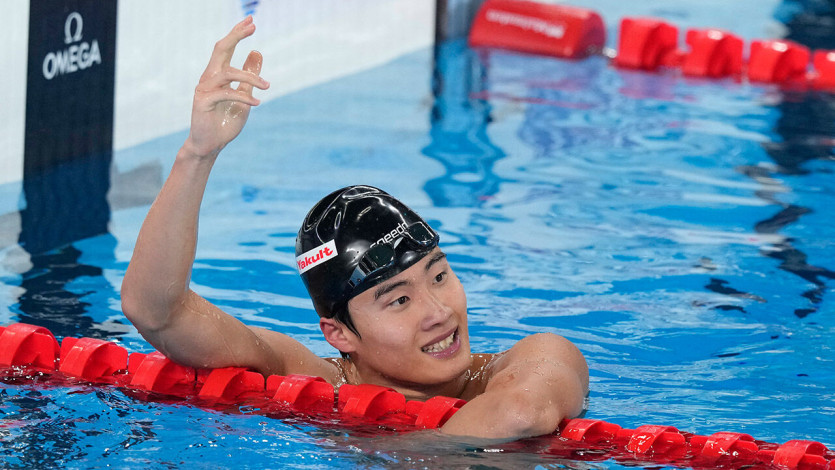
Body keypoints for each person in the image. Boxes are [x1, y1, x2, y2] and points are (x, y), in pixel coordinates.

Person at [121, 16, 588, 440]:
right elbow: (156, 312)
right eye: (400, 299)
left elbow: (522, 411)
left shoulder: (541, 356)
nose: (438, 312)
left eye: (439, 276)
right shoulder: (309, 379)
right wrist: (197, 152)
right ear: (339, 335)